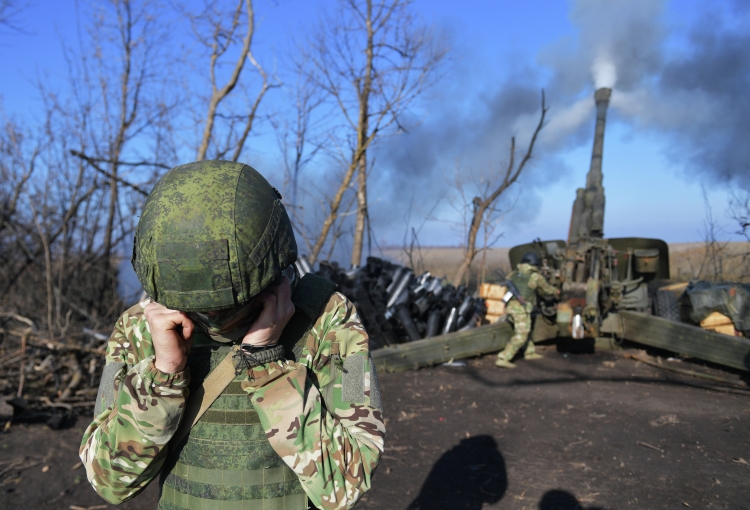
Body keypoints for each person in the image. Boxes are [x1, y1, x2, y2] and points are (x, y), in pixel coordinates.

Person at [80, 160, 385, 510]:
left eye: (229, 307)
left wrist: (267, 365)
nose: (213, 319)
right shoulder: (138, 328)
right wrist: (163, 375)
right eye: (195, 309)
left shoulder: (329, 318)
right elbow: (108, 482)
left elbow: (350, 479)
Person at [495, 252, 559, 369]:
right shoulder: (535, 276)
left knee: (526, 329)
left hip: (510, 307)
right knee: (522, 335)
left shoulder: (513, 274)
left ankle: (529, 352)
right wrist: (557, 291)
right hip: (520, 308)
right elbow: (547, 290)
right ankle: (503, 358)